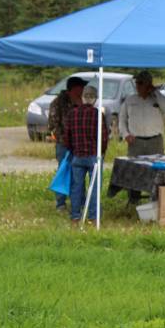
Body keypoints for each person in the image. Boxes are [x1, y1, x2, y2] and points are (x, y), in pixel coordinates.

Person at [118, 70, 165, 204]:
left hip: (155, 141)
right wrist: (125, 135)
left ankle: (155, 200)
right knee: (134, 171)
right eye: (137, 83)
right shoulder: (130, 100)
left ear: (148, 84)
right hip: (136, 142)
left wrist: (156, 92)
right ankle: (133, 199)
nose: (138, 86)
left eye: (141, 83)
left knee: (157, 172)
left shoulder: (157, 98)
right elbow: (122, 120)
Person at [63, 84, 110, 224]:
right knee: (94, 187)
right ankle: (93, 216)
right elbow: (103, 138)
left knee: (76, 187)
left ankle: (75, 216)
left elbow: (67, 137)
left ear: (83, 98)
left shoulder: (72, 114)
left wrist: (73, 150)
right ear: (94, 99)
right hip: (93, 156)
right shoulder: (98, 114)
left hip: (77, 156)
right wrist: (101, 153)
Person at [47, 76, 87, 212]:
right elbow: (52, 124)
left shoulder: (82, 102)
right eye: (81, 87)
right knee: (63, 170)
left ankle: (81, 201)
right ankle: (61, 203)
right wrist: (63, 138)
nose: (83, 90)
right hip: (64, 144)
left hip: (80, 143)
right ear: (74, 88)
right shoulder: (58, 103)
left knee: (80, 172)